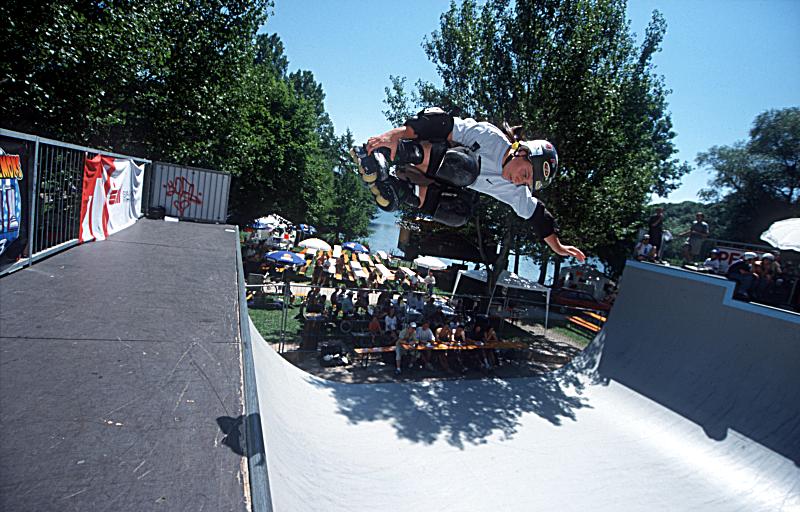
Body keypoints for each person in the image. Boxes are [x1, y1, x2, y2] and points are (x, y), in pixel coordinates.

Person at [352, 107, 585, 263]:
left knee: (459, 213)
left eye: (526, 182)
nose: (519, 181)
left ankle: (394, 188)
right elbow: (439, 124)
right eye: (524, 173)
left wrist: (558, 246)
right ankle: (388, 153)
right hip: (421, 147)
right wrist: (393, 136)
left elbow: (538, 215)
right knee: (466, 168)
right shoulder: (490, 137)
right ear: (521, 152)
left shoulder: (516, 191)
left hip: (425, 178)